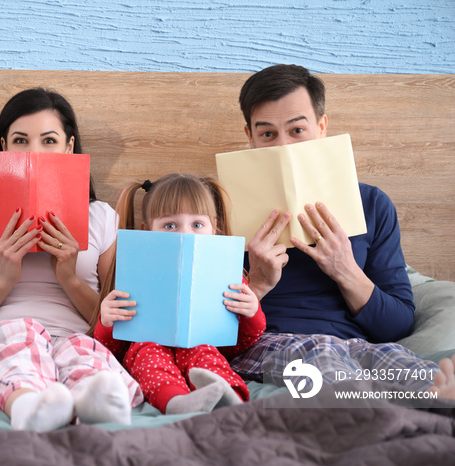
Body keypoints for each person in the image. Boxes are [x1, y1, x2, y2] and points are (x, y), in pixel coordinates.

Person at [229, 64, 455, 399]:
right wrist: (257, 283)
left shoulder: (372, 204)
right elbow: (205, 334)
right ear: (249, 137)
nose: (284, 147)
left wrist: (345, 270)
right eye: (267, 134)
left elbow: (397, 327)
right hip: (274, 344)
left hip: (356, 347)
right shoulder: (218, 209)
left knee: (424, 376)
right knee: (333, 371)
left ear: (321, 128)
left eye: (297, 130)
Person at [0, 88, 143, 432]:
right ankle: (28, 405)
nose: (34, 152)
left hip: (76, 336)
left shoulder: (103, 219)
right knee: (23, 332)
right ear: (3, 147)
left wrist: (70, 278)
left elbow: (120, 322)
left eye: (48, 140)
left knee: (82, 352)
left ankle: (96, 406)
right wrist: (4, 279)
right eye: (20, 140)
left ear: (69, 148)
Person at [92, 173, 266, 414]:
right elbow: (110, 351)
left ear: (213, 229)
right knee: (146, 352)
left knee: (205, 353)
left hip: (202, 345)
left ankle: (230, 397)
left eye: (197, 224)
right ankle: (175, 402)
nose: (185, 234)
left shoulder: (226, 273)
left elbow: (239, 344)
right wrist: (107, 321)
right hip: (147, 346)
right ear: (147, 231)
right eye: (170, 225)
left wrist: (251, 312)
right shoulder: (133, 271)